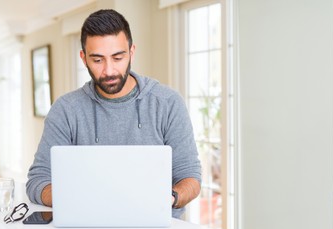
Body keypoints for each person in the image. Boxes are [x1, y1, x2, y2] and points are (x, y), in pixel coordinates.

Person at [26, 9, 201, 218]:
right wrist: (79, 198)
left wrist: (170, 197)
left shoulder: (167, 103)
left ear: (131, 52)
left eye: (118, 57)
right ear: (84, 58)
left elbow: (190, 177)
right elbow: (38, 180)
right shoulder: (65, 110)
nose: (109, 71)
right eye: (98, 60)